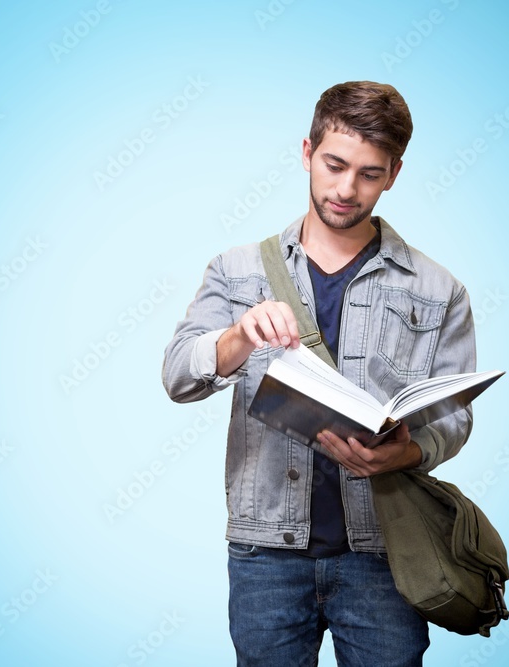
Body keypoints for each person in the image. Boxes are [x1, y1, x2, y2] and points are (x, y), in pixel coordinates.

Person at [162, 81, 477, 667]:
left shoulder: (439, 289)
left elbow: (453, 418)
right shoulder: (236, 270)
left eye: (369, 174)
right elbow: (178, 376)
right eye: (334, 165)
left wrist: (407, 453)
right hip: (265, 555)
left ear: (394, 175)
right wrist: (238, 336)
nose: (346, 189)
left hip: (385, 552)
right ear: (307, 152)